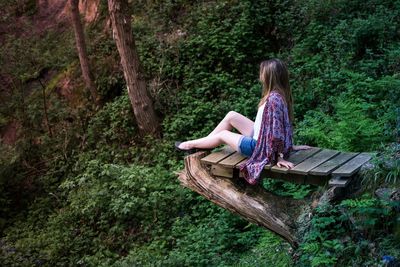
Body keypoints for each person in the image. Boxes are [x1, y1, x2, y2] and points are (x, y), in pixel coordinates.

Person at [175, 58, 310, 184]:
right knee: (231, 115)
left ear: (270, 76)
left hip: (258, 146)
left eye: (262, 72)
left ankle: (189, 145)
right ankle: (204, 143)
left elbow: (277, 131)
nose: (260, 74)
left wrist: (279, 156)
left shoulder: (274, 99)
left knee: (222, 134)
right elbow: (284, 126)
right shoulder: (278, 94)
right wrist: (290, 145)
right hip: (261, 135)